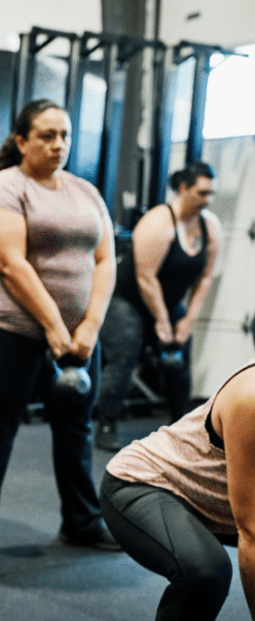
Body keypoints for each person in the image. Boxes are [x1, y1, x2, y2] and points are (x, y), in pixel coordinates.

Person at [0, 99, 118, 569]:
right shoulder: (4, 188)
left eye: (64, 134)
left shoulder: (85, 192)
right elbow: (9, 263)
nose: (58, 144)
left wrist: (89, 326)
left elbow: (105, 260)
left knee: (76, 426)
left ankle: (83, 520)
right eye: (47, 135)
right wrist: (52, 325)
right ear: (23, 141)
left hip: (78, 333)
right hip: (5, 324)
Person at [100, 359, 253, 621]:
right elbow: (252, 532)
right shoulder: (250, 398)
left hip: (220, 504)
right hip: (145, 485)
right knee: (205, 572)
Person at [95, 161, 220, 451]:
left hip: (168, 300)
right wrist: (163, 322)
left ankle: (186, 432)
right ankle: (105, 425)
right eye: (202, 193)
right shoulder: (157, 222)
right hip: (128, 298)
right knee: (125, 354)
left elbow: (205, 277)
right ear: (184, 188)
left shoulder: (209, 226)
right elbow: (145, 278)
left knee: (181, 360)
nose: (207, 200)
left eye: (211, 194)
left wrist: (189, 320)